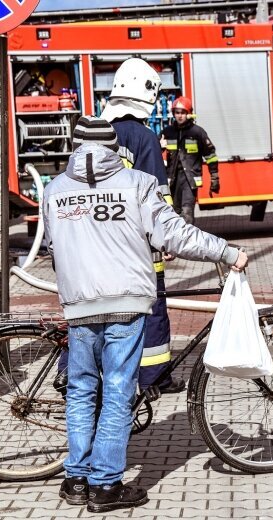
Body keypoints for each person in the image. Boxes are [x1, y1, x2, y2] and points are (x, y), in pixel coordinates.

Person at [43, 116, 248, 512]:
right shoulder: (136, 183)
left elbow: (54, 246)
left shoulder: (54, 190)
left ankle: (75, 480)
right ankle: (105, 486)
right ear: (113, 146)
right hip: (126, 303)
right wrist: (226, 251)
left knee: (83, 391)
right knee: (119, 390)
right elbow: (176, 234)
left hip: (79, 305)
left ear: (77, 144)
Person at [92, 57, 183, 393]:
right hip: (137, 246)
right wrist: (168, 238)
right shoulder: (143, 137)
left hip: (97, 242)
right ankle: (155, 377)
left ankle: (77, 372)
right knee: (152, 309)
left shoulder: (95, 134)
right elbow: (156, 197)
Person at [160, 96, 220, 224]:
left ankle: (188, 241)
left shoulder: (197, 132)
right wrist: (159, 146)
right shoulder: (167, 132)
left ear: (189, 113)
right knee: (174, 213)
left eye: (183, 112)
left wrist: (214, 176)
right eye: (177, 112)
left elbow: (210, 155)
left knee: (187, 212)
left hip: (189, 179)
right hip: (173, 180)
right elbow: (154, 152)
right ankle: (176, 242)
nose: (180, 116)